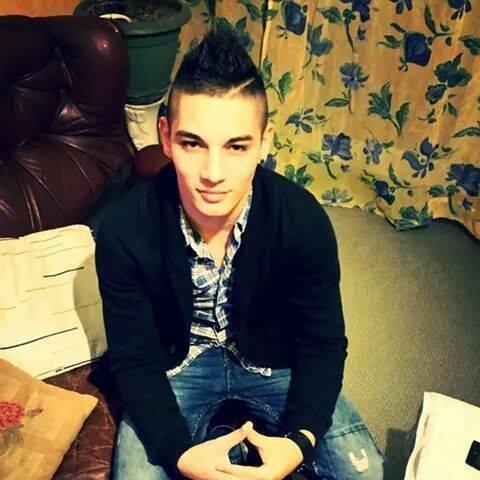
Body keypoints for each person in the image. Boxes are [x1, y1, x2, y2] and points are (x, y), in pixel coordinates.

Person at [95, 25, 384, 480]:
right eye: (193, 143)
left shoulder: (302, 220)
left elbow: (323, 342)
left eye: (236, 146)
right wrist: (180, 454)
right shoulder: (123, 229)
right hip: (176, 366)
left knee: (365, 474)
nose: (213, 173)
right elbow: (134, 358)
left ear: (265, 143)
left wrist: (299, 441)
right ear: (165, 137)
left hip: (273, 360)